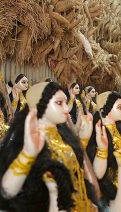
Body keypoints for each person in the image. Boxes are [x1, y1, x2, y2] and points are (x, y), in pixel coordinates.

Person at [0, 82, 100, 211]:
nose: (66, 109)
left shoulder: (63, 136)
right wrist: (28, 154)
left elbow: (76, 173)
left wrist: (83, 142)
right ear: (40, 105)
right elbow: (7, 190)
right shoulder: (31, 139)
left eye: (65, 103)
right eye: (59, 103)